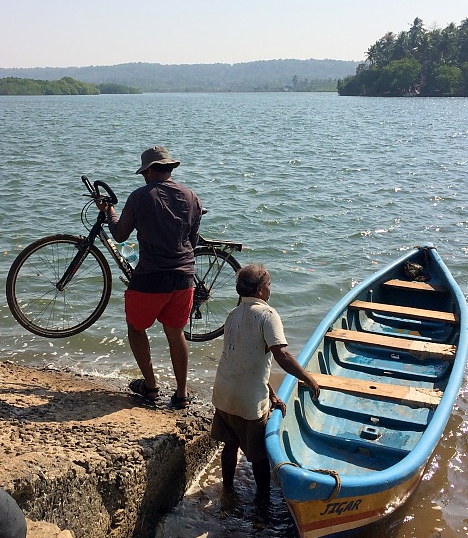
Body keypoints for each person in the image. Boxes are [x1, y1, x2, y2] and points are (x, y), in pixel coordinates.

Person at [95, 146, 203, 409]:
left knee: (136, 328)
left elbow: (119, 235)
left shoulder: (139, 197)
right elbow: (193, 240)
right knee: (176, 333)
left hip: (150, 278)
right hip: (183, 278)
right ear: (170, 169)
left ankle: (151, 387)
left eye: (145, 172)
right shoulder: (191, 196)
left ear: (151, 170)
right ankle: (181, 394)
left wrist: (109, 211)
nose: (144, 177)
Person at [210, 264, 320, 497]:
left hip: (223, 393)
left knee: (229, 445)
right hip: (248, 401)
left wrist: (271, 394)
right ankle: (262, 503)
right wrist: (309, 380)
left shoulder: (233, 315)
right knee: (258, 456)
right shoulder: (268, 315)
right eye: (269, 285)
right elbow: (281, 355)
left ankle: (227, 489)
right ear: (260, 290)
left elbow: (243, 363)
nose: (270, 289)